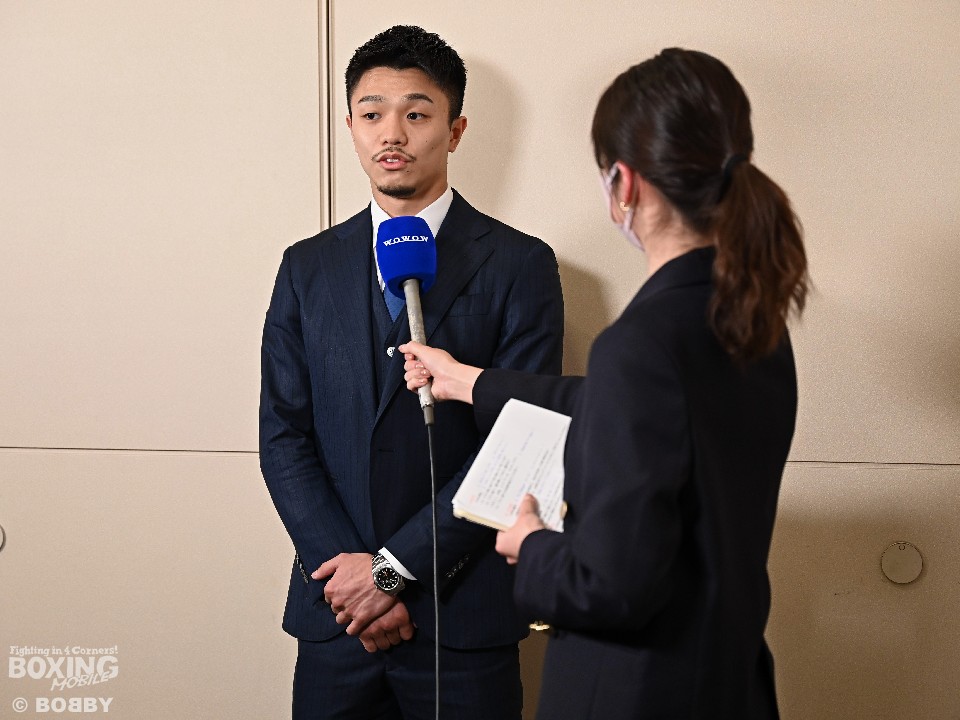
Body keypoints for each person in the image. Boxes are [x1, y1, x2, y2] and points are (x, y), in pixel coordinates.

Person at [401, 48, 809, 719]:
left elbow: (610, 588)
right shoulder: (753, 322)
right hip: (726, 683)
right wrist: (471, 382)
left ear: (624, 183)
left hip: (636, 695)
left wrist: (530, 545)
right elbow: (623, 408)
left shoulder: (640, 345)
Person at [259, 25, 564, 720]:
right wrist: (351, 580)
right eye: (372, 114)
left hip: (461, 615)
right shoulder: (306, 267)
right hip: (338, 614)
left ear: (455, 131)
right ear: (350, 126)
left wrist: (393, 572)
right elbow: (283, 436)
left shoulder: (520, 264)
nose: (391, 133)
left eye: (417, 114)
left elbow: (517, 443)